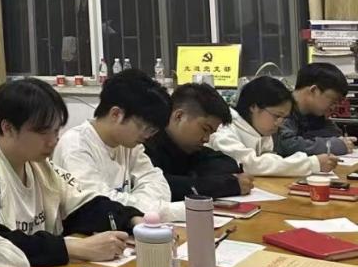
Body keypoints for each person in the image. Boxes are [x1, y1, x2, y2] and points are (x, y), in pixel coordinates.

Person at [0, 79, 145, 267]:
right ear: (8, 128)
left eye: (56, 131)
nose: (53, 141)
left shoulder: (39, 165)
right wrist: (73, 248)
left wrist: (131, 219)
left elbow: (81, 204)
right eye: (43, 132)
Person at [52, 68, 174, 219]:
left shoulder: (129, 145)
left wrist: (141, 209)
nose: (148, 136)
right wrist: (154, 209)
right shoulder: (75, 146)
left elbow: (157, 186)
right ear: (116, 114)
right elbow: (98, 205)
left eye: (152, 131)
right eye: (145, 128)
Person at [208, 76, 338, 177]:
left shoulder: (260, 131)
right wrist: (311, 163)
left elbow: (270, 160)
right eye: (277, 116)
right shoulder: (223, 130)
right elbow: (250, 165)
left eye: (284, 118)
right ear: (254, 107)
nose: (280, 123)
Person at [144, 84, 250, 201]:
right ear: (179, 116)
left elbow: (228, 165)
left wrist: (193, 182)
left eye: (211, 133)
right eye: (205, 129)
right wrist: (222, 185)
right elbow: (157, 186)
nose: (206, 139)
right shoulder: (144, 145)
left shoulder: (189, 149)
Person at [277, 62, 355, 157]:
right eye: (333, 101)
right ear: (314, 90)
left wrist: (342, 142)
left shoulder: (315, 113)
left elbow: (335, 134)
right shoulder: (281, 108)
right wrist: (331, 146)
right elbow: (286, 145)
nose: (334, 107)